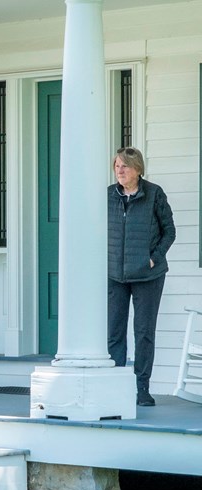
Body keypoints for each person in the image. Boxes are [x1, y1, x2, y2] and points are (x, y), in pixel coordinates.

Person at [108, 147, 175, 407]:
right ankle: (116, 386)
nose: (120, 170)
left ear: (138, 169)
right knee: (114, 332)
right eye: (117, 166)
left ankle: (141, 388)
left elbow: (169, 231)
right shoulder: (108, 196)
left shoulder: (154, 194)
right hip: (115, 274)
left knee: (144, 332)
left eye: (125, 166)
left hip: (148, 275)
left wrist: (153, 258)